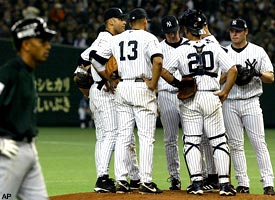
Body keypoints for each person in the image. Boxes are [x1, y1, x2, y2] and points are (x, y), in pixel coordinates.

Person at [161, 10, 238, 196]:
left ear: (186, 29)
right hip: (212, 95)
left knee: (192, 142)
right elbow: (233, 70)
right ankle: (225, 185)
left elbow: (163, 71)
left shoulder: (180, 50)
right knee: (218, 141)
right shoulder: (214, 46)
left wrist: (179, 85)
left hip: (190, 98)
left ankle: (196, 183)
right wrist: (225, 91)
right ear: (202, 27)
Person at [91, 8, 163, 194]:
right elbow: (158, 62)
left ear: (130, 22)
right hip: (141, 86)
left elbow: (95, 58)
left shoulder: (116, 39)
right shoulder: (149, 38)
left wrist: (107, 77)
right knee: (146, 137)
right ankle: (146, 181)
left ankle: (122, 180)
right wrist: (153, 84)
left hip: (122, 88)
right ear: (144, 21)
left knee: (123, 136)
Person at [73, 8, 140, 193]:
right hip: (104, 92)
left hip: (97, 91)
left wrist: (88, 92)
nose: (124, 22)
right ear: (111, 21)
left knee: (106, 137)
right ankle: (102, 179)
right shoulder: (108, 39)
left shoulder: (101, 39)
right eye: (120, 19)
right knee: (112, 134)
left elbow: (80, 67)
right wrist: (107, 78)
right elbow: (92, 60)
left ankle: (132, 177)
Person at [0, 17, 56, 200]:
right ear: (26, 44)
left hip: (29, 152)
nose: (48, 46)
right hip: (8, 154)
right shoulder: (8, 74)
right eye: (42, 41)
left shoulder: (27, 72)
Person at [221, 18, 274, 195]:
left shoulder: (257, 51)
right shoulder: (224, 52)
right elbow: (217, 79)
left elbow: (271, 77)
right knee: (235, 145)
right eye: (232, 30)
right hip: (230, 102)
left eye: (238, 30)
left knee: (259, 143)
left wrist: (256, 73)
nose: (234, 33)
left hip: (251, 101)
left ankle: (268, 183)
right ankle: (243, 183)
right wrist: (231, 73)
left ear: (246, 32)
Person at [157, 15, 186, 190]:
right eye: (169, 33)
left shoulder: (189, 45)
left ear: (179, 29)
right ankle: (175, 178)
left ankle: (200, 176)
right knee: (170, 139)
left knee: (194, 138)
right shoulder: (158, 48)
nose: (172, 35)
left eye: (174, 31)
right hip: (166, 95)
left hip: (189, 95)